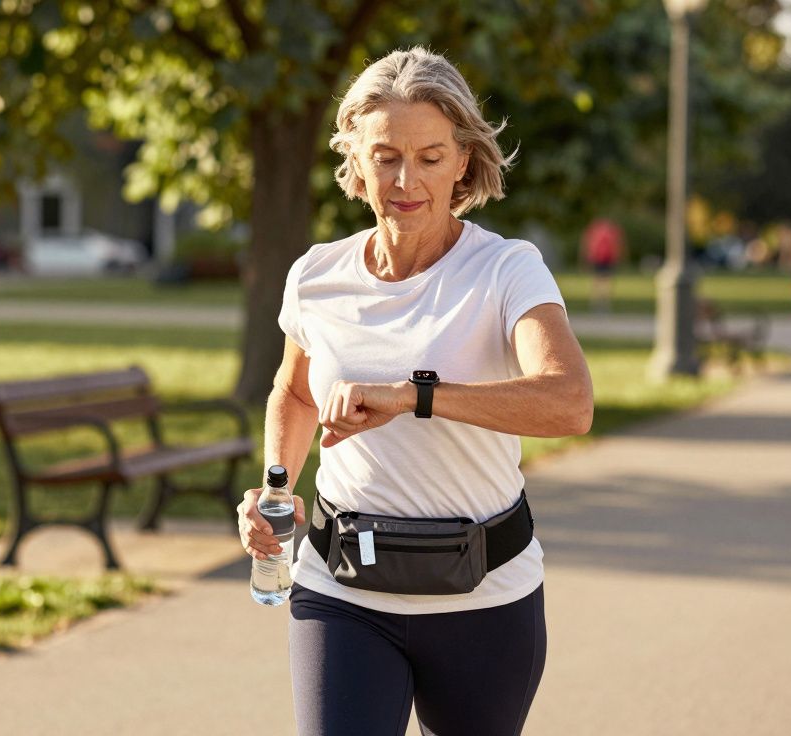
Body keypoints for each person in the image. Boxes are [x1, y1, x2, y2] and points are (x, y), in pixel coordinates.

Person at [236, 48, 593, 736]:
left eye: (430, 158)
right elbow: (296, 392)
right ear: (354, 156)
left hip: (484, 602)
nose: (406, 181)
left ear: (463, 160)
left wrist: (415, 396)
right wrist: (274, 487)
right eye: (385, 157)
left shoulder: (507, 271)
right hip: (342, 591)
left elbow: (570, 401)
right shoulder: (316, 275)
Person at [580, 217, 624, 312]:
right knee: (607, 281)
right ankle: (605, 302)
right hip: (608, 259)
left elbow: (588, 245)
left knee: (596, 280)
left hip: (597, 258)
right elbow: (617, 245)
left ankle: (596, 302)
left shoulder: (594, 229)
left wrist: (586, 259)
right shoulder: (612, 230)